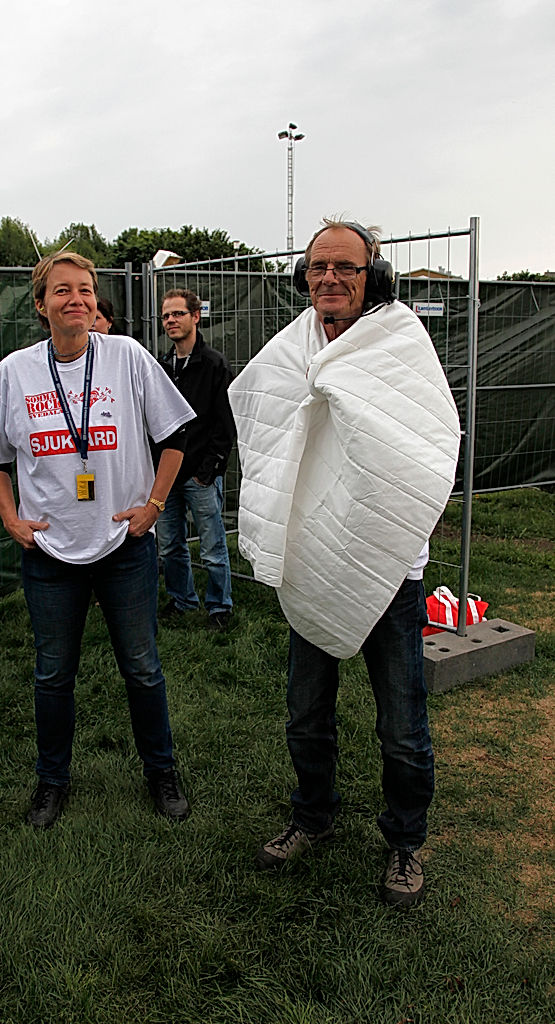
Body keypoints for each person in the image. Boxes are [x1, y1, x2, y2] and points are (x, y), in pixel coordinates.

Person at [228, 218, 460, 907]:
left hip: (388, 566)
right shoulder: (292, 347)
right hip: (312, 551)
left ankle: (404, 844)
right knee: (305, 712)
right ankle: (312, 816)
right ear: (303, 278)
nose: (329, 279)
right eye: (316, 268)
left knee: (400, 724)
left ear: (373, 277)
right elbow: (257, 405)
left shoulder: (397, 343)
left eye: (345, 269)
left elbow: (424, 438)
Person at [0, 251, 196, 829]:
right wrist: (9, 519)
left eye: (86, 289)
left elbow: (175, 435)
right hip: (48, 551)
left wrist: (155, 504)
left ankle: (161, 772)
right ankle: (51, 783)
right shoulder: (14, 373)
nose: (77, 299)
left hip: (124, 545)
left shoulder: (126, 357)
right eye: (63, 290)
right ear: (42, 305)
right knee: (53, 673)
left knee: (143, 667)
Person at [155, 288, 236, 631]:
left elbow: (225, 424)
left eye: (178, 314)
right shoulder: (161, 366)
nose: (171, 320)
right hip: (166, 477)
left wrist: (207, 472)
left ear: (195, 317)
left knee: (213, 546)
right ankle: (183, 601)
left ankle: (220, 606)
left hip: (200, 475)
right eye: (166, 316)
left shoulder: (215, 364)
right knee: (170, 545)